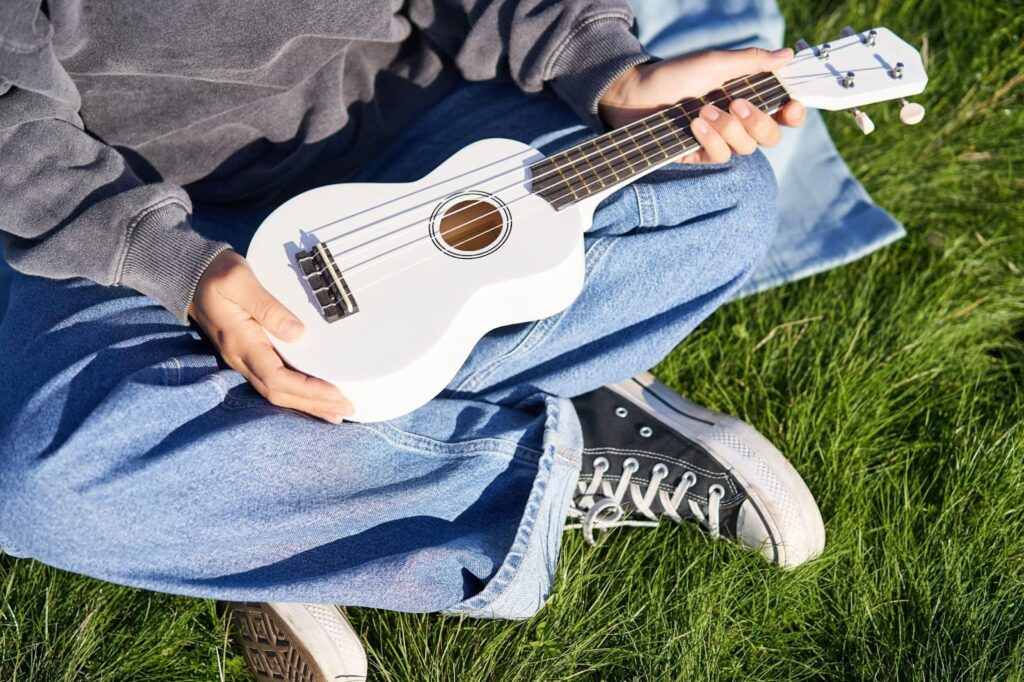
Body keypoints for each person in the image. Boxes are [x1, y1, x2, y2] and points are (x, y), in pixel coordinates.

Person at [0, 1, 825, 679]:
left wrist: (610, 68)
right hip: (137, 215)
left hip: (411, 160)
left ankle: (262, 506)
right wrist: (174, 265)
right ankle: (549, 461)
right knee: (32, 485)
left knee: (721, 201)